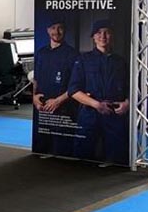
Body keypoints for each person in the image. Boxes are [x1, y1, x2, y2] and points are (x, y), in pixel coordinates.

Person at [68, 19, 130, 164]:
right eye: (98, 32)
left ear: (112, 35)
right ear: (93, 37)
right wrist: (96, 105)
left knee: (117, 158)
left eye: (106, 32)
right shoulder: (83, 60)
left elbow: (130, 88)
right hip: (90, 114)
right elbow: (73, 90)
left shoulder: (120, 62)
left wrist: (127, 104)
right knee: (83, 156)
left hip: (114, 115)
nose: (103, 36)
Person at [32, 17, 79, 156]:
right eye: (53, 28)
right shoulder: (41, 53)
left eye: (60, 28)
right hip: (41, 109)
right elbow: (35, 79)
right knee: (40, 151)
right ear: (47, 30)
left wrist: (58, 101)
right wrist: (34, 97)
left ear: (65, 30)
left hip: (63, 111)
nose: (56, 32)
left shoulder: (72, 54)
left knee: (62, 152)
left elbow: (76, 85)